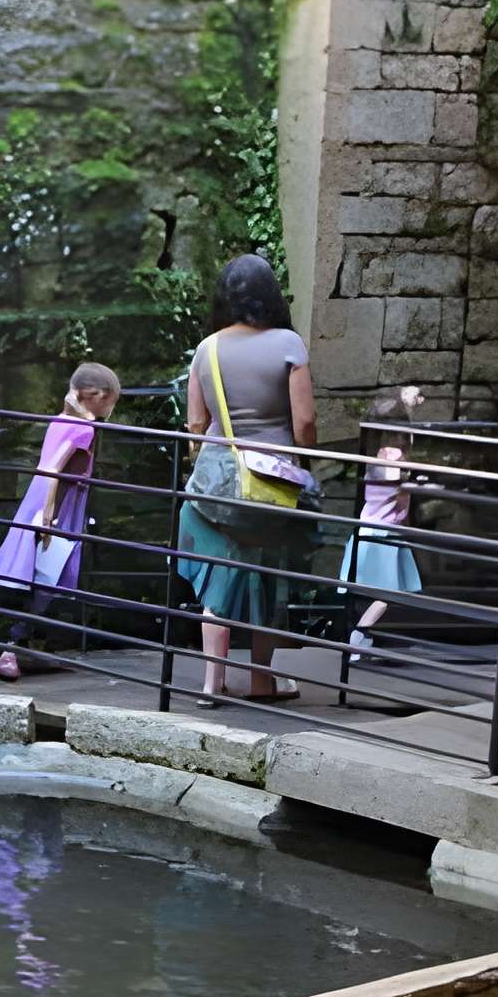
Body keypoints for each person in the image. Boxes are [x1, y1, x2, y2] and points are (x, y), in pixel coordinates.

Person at [178, 254, 320, 705]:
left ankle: (210, 684)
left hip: (217, 485)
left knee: (220, 581)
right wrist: (303, 463)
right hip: (271, 488)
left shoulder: (207, 349)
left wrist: (206, 462)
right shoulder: (289, 345)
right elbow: (305, 422)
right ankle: (261, 681)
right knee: (269, 581)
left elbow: (196, 425)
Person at [0, 362, 122, 682]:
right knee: (47, 578)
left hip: (44, 503)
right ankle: (11, 648)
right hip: (57, 509)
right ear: (93, 396)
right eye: (110, 401)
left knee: (43, 577)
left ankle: (32, 648)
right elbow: (53, 471)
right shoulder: (84, 429)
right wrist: (50, 518)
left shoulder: (61, 419)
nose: (113, 408)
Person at [343, 384, 427, 660]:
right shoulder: (392, 457)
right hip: (383, 532)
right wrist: (410, 480)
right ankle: (359, 637)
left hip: (376, 527)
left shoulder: (379, 453)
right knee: (385, 594)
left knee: (379, 592)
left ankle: (361, 640)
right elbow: (394, 481)